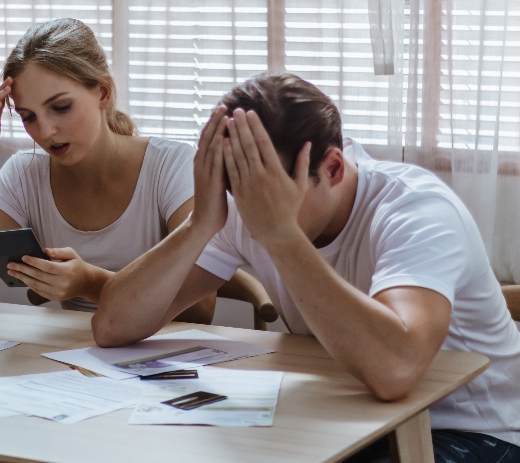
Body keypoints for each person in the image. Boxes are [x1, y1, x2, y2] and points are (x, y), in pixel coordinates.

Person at [93, 73, 520, 461]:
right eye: (236, 184)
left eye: (267, 189)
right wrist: (199, 224)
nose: (250, 205)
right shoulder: (247, 205)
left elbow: (396, 371)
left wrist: (281, 235)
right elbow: (114, 326)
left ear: (332, 168)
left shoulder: (416, 211)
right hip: (346, 412)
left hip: (468, 432)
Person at [0, 18, 216, 320]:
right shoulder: (24, 176)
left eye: (61, 107)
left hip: (161, 355)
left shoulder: (172, 167)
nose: (45, 131)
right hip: (73, 354)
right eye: (28, 116)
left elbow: (199, 311)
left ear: (103, 92)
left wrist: (90, 283)